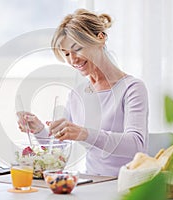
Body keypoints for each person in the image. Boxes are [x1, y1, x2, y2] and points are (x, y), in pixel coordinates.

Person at [17, 8, 148, 177]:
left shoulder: (132, 88)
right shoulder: (77, 93)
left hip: (128, 185)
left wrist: (84, 133)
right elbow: (59, 145)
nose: (73, 60)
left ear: (100, 38)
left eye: (77, 49)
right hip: (91, 182)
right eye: (66, 54)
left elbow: (136, 145)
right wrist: (39, 129)